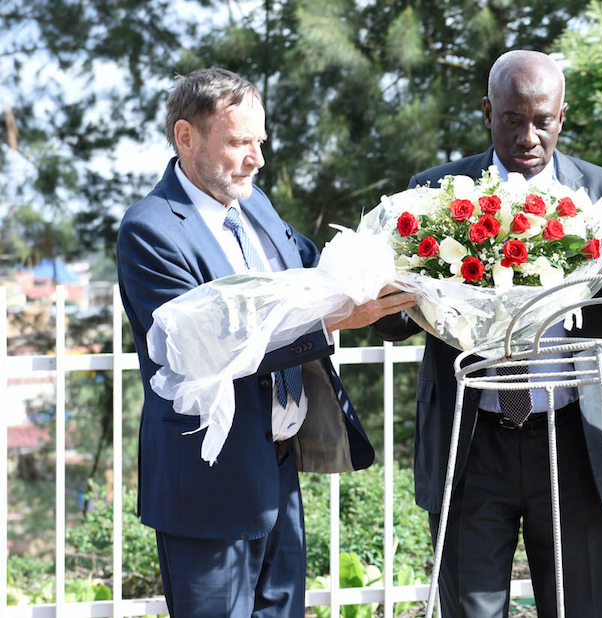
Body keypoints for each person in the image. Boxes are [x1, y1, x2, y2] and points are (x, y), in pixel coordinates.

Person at [116, 67, 414, 618]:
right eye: (238, 143)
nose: (257, 159)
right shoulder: (150, 229)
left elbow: (321, 276)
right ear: (186, 137)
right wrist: (332, 321)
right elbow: (205, 347)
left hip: (278, 470)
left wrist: (407, 274)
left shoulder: (255, 205)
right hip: (207, 483)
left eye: (260, 141)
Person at [371, 50, 602, 618]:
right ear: (487, 112)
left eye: (542, 120)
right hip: (471, 440)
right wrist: (398, 282)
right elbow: (389, 322)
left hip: (575, 437)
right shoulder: (433, 195)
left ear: (563, 115)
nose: (528, 136)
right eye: (511, 119)